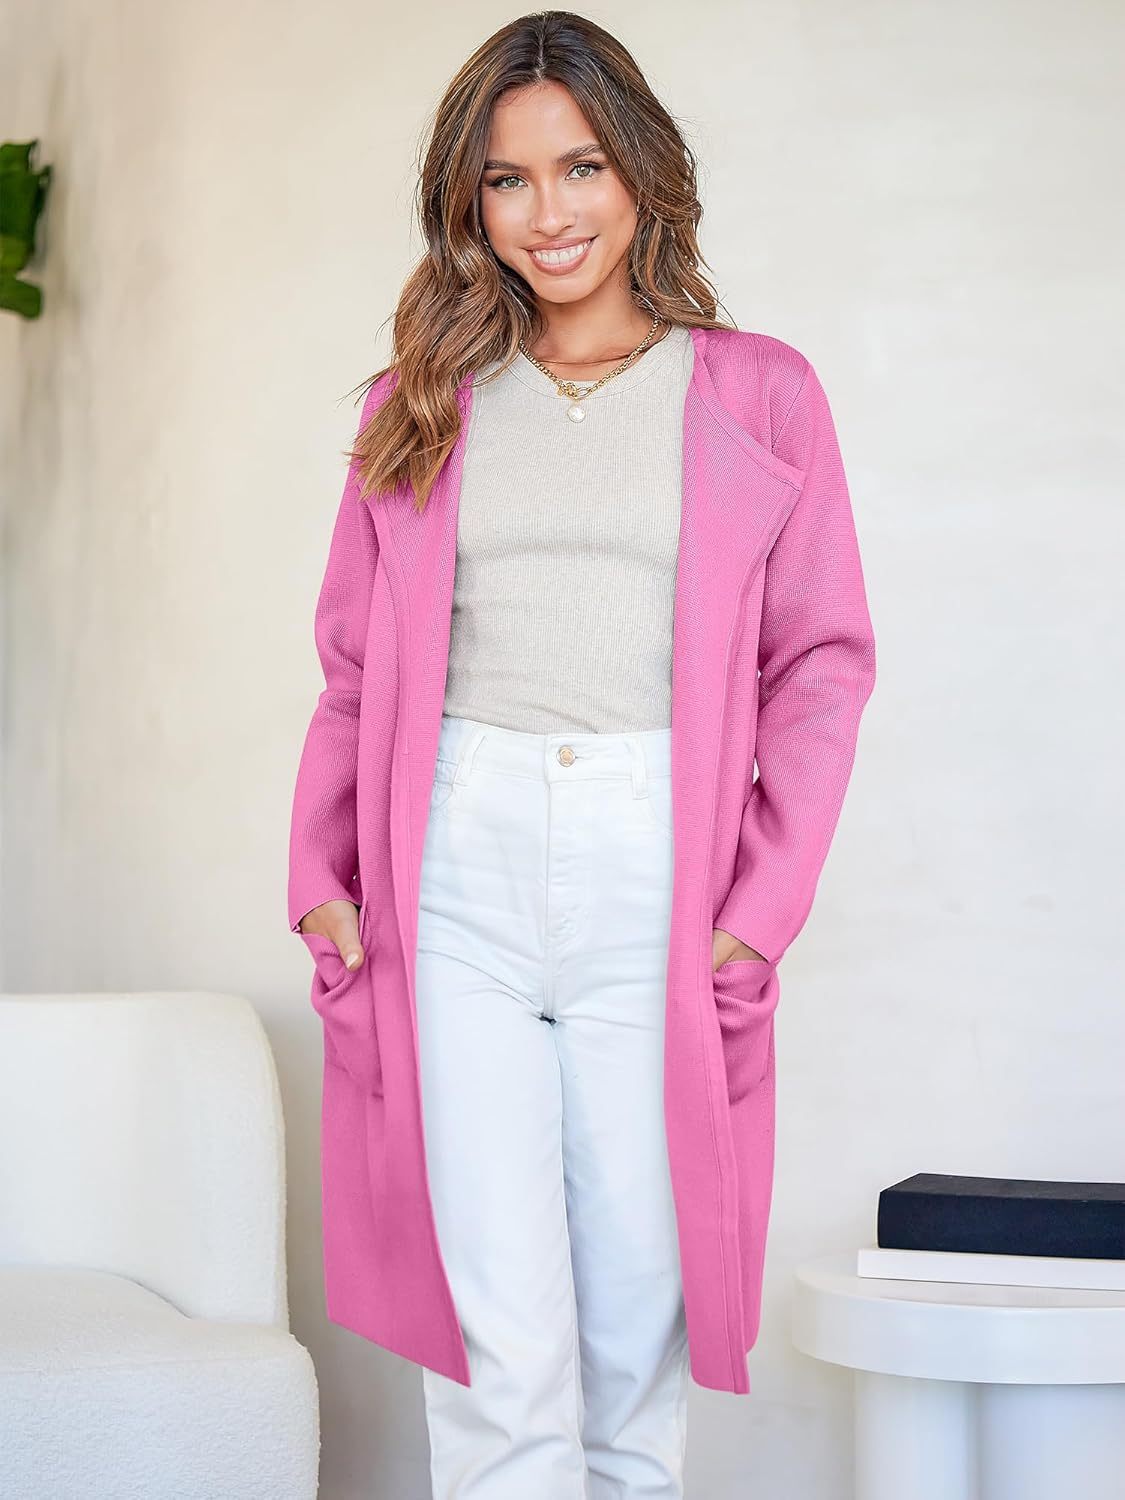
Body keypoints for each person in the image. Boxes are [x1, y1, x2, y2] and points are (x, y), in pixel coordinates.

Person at [288, 11, 876, 1499]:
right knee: (495, 1359)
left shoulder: (757, 393)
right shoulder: (416, 405)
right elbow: (354, 671)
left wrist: (755, 911)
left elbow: (820, 664)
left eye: (580, 167)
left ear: (642, 173)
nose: (546, 213)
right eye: (506, 179)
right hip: (453, 869)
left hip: (654, 871)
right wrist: (324, 877)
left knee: (633, 1346)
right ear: (468, 200)